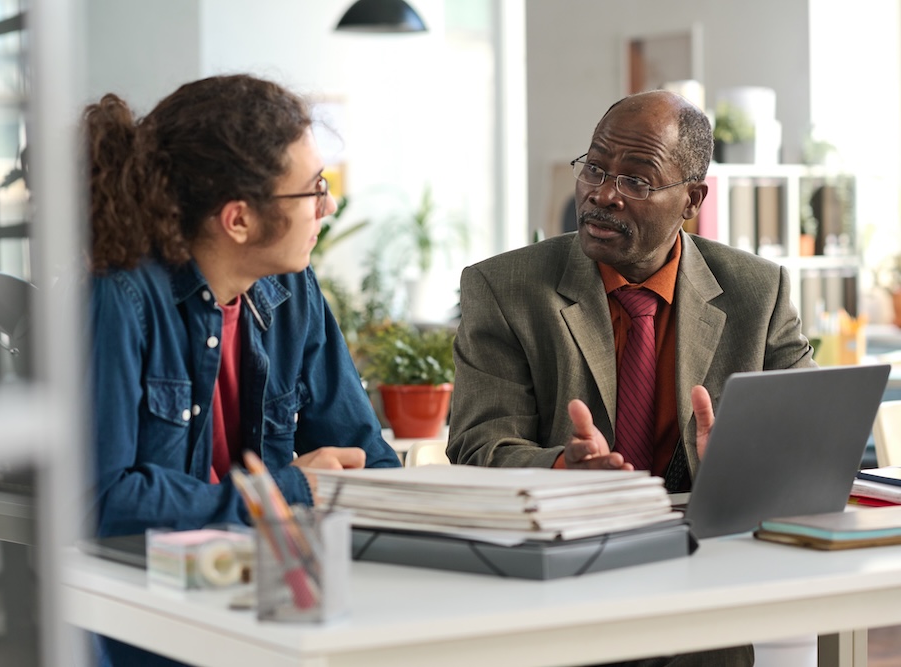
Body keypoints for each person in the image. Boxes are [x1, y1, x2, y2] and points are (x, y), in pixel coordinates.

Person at [448, 90, 815, 667]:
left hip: (706, 597)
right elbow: (477, 447)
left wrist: (747, 459)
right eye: (594, 167)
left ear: (692, 199)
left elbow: (810, 437)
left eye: (637, 181)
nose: (603, 194)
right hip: (559, 594)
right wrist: (563, 468)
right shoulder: (505, 289)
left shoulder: (756, 292)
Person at [83, 74, 400, 666]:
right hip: (153, 629)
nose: (326, 207)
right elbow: (99, 501)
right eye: (313, 189)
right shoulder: (119, 298)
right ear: (239, 220)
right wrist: (286, 491)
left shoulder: (292, 290)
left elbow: (366, 459)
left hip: (277, 613)